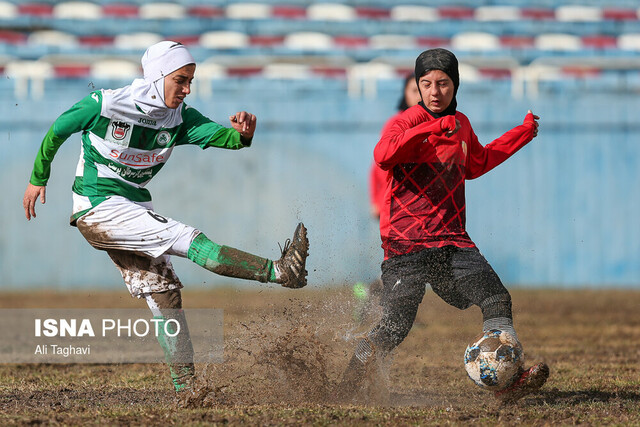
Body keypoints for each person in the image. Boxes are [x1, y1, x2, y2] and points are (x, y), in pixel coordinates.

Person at [22, 41, 310, 394]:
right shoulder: (107, 103)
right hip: (99, 208)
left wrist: (244, 134)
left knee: (165, 294)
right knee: (192, 240)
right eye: (181, 80)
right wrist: (39, 177)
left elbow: (228, 139)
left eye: (191, 80)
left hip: (132, 209)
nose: (187, 89)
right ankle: (279, 271)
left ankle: (186, 390)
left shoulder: (180, 117)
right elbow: (59, 129)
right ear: (157, 77)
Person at [339, 48, 548, 404]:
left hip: (452, 240)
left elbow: (477, 163)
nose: (435, 91)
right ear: (418, 87)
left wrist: (523, 133)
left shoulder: (461, 124)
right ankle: (345, 387)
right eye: (427, 84)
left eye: (443, 83)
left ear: (455, 85)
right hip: (406, 244)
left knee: (496, 297)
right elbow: (383, 156)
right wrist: (432, 126)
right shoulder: (404, 121)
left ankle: (507, 382)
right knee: (394, 326)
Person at [355, 74, 422, 324]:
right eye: (414, 90)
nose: (420, 95)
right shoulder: (398, 122)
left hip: (418, 208)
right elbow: (378, 166)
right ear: (404, 94)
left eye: (422, 89)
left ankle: (380, 300)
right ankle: (384, 304)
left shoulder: (434, 124)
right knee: (407, 261)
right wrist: (377, 200)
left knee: (409, 262)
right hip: (396, 206)